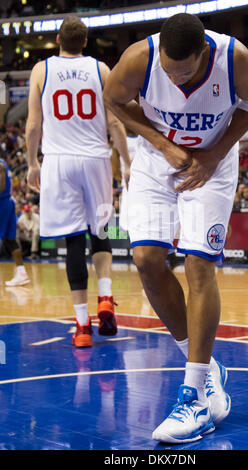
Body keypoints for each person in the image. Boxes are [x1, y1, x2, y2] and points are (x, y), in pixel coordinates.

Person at [103, 13, 248, 443]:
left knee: (198, 266)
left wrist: (215, 155)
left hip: (212, 164)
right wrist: (159, 143)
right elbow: (112, 99)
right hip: (159, 162)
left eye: (186, 72)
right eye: (169, 74)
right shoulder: (140, 57)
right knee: (145, 260)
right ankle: (208, 368)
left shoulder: (234, 57)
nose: (176, 81)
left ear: (204, 53)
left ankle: (194, 395)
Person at [25, 16, 131, 348]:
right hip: (95, 158)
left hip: (58, 160)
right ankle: (105, 296)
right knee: (98, 232)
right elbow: (115, 121)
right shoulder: (101, 69)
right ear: (85, 42)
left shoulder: (41, 70)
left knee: (73, 241)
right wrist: (126, 162)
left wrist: (31, 163)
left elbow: (31, 125)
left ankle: (83, 326)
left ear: (58, 39)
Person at [0, 158, 30, 286]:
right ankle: (22, 273)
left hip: (2, 203)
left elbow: (1, 187)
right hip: (8, 202)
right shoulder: (3, 163)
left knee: (9, 240)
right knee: (9, 240)